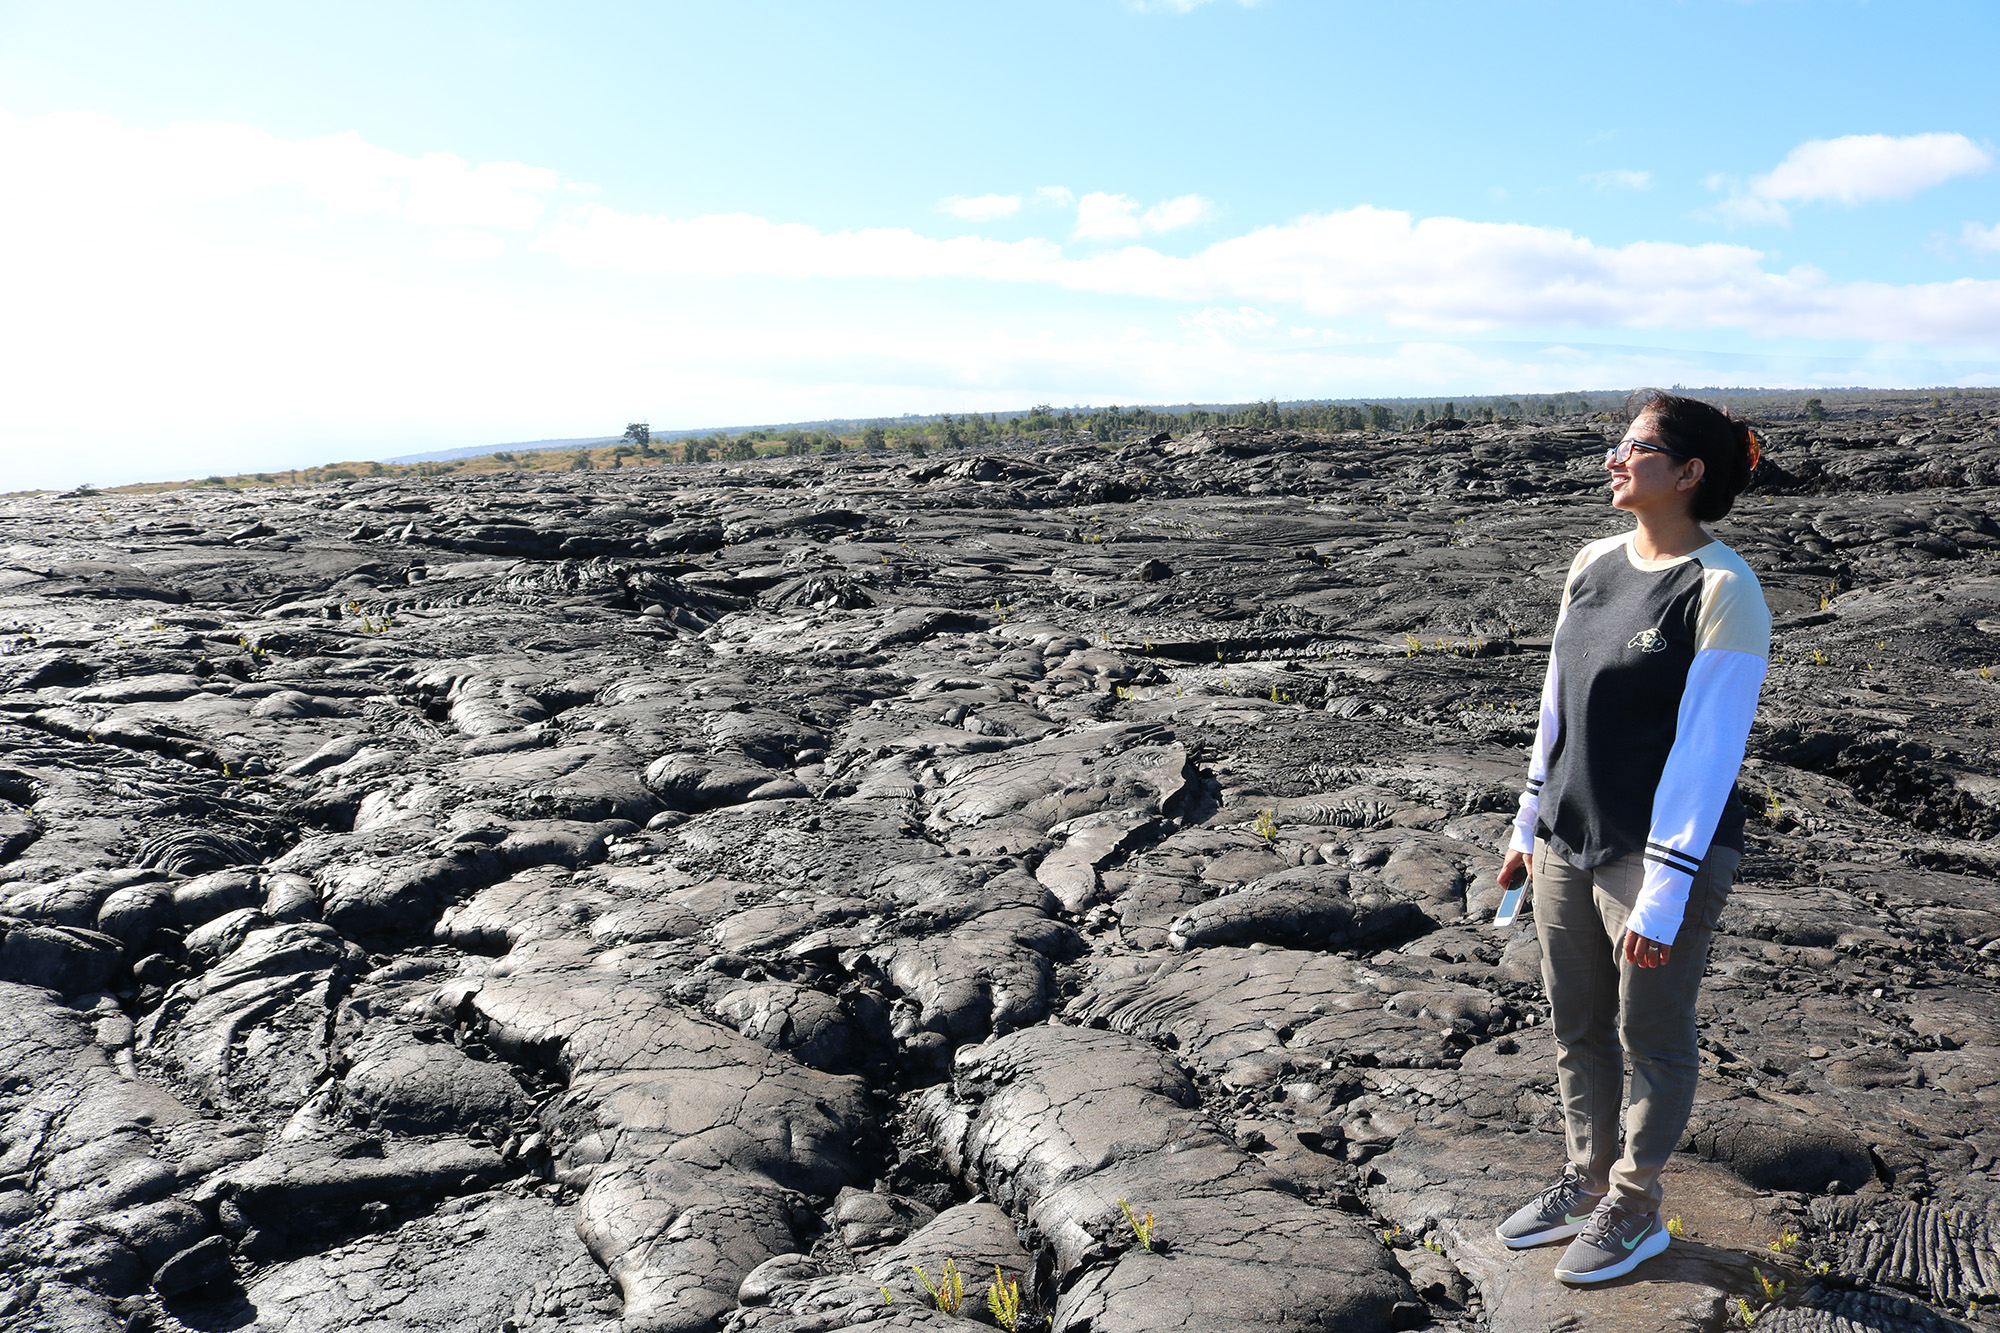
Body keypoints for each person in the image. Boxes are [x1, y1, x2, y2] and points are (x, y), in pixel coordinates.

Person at [1491, 390, 1771, 1284]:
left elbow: (1708, 752)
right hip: (1569, 836)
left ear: (1688, 473)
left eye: (1635, 446)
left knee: (1649, 1030)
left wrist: (1666, 884)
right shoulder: (1593, 562)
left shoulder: (1724, 589)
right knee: (1577, 1022)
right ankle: (1582, 1179)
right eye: (1618, 442)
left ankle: (1635, 1204)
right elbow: (1556, 706)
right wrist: (1527, 822)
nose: (1614, 458)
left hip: (1660, 851)